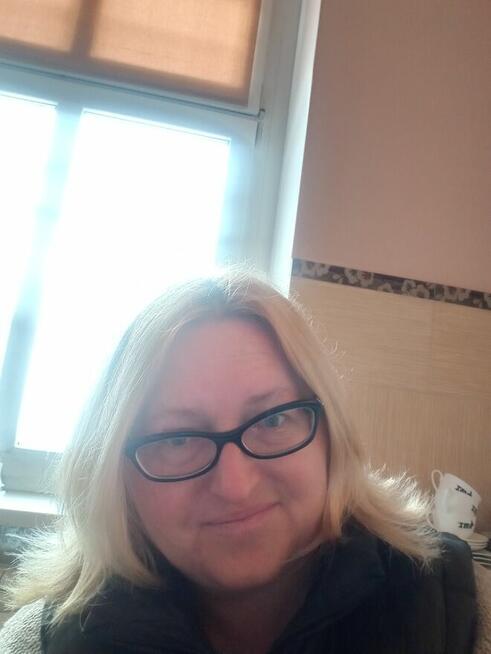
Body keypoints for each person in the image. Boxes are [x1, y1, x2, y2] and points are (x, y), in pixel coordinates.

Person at [1, 270, 490, 653]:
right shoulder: (37, 643)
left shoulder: (463, 614)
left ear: (331, 437)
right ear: (117, 475)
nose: (234, 486)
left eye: (273, 420)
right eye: (178, 440)